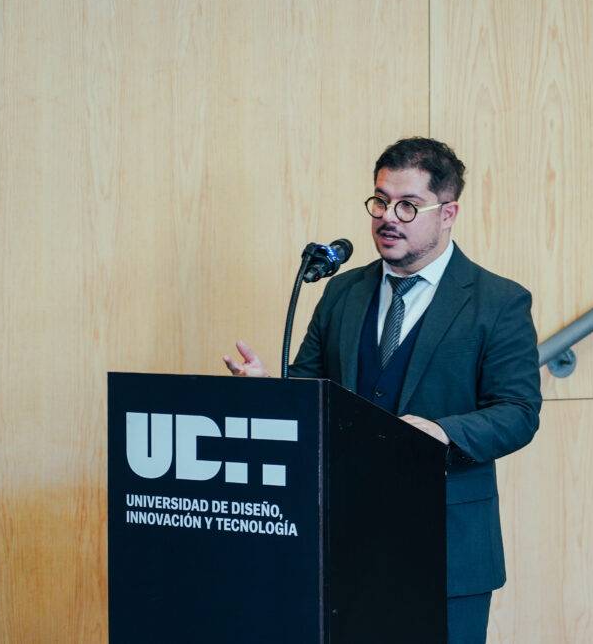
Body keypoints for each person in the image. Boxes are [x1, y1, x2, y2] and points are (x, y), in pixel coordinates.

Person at [223, 137, 541, 644]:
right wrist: (269, 393)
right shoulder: (342, 291)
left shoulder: (497, 302)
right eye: (380, 201)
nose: (388, 217)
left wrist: (439, 432)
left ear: (448, 212)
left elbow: (519, 412)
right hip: (344, 538)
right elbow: (310, 389)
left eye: (408, 205)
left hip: (447, 547)